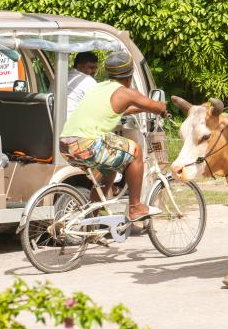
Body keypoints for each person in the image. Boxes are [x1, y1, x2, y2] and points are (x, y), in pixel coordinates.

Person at [59, 48, 166, 222]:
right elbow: (158, 107)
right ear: (129, 75)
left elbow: (118, 110)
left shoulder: (99, 87)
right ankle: (136, 207)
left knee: (109, 169)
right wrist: (162, 109)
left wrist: (139, 108)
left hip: (66, 143)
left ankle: (92, 219)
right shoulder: (125, 92)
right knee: (135, 151)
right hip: (87, 143)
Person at [67, 51, 99, 116]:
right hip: (72, 123)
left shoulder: (62, 76)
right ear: (79, 66)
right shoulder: (89, 81)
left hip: (51, 122)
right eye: (91, 68)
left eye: (95, 68)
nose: (94, 71)